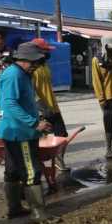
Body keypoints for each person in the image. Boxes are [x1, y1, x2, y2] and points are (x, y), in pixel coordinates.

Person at [0, 42, 52, 219]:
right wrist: (34, 123)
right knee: (31, 171)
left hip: (15, 130)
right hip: (19, 133)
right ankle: (38, 213)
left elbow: (26, 100)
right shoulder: (14, 75)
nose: (36, 66)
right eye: (34, 62)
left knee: (12, 171)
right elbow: (9, 103)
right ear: (24, 59)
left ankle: (14, 208)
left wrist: (40, 115)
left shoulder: (23, 74)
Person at [31, 38, 69, 171]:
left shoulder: (44, 65)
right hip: (40, 108)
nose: (48, 53)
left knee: (62, 135)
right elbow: (31, 91)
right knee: (40, 139)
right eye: (45, 50)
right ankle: (37, 166)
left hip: (53, 106)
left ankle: (59, 160)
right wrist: (40, 111)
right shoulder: (31, 68)